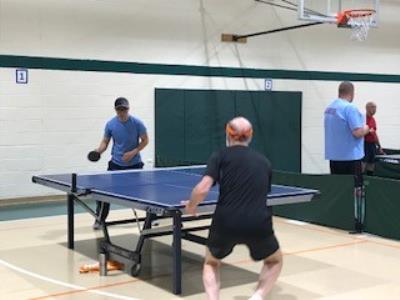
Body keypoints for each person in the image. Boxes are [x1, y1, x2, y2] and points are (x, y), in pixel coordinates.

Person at [182, 117, 282, 300]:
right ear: (250, 136)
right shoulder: (265, 162)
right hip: (258, 221)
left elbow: (203, 188)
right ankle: (258, 297)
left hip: (226, 221)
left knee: (211, 263)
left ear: (228, 134)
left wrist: (191, 206)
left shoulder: (219, 156)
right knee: (275, 260)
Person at [92, 97, 148, 230]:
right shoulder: (110, 124)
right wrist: (99, 150)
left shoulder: (137, 123)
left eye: (124, 109)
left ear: (128, 109)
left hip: (135, 165)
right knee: (103, 193)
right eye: (119, 109)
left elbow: (145, 140)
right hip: (116, 165)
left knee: (145, 194)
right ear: (115, 110)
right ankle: (100, 219)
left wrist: (133, 152)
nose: (122, 112)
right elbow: (105, 142)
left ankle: (149, 220)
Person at [324, 81, 371, 233]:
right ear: (351, 93)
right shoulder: (349, 108)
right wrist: (367, 128)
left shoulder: (329, 108)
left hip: (334, 156)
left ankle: (338, 220)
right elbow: (357, 132)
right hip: (351, 157)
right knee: (356, 190)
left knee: (338, 190)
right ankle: (357, 223)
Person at [363, 101, 385, 176]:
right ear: (367, 108)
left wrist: (379, 146)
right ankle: (360, 181)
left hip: (372, 145)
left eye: (375, 108)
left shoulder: (373, 119)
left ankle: (370, 178)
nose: (375, 110)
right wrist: (368, 131)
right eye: (373, 107)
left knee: (371, 163)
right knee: (363, 163)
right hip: (364, 144)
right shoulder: (362, 118)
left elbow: (374, 134)